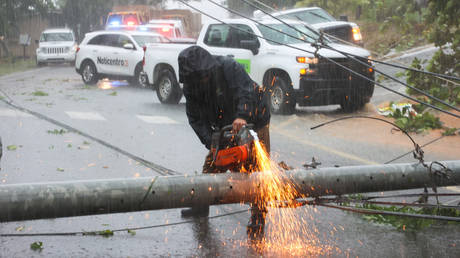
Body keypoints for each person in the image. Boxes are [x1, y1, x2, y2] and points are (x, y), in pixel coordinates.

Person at [178, 46, 270, 232]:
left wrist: (243, 115)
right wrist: (211, 142)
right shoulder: (191, 87)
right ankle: (201, 206)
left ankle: (258, 215)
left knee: (257, 168)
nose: (202, 81)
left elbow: (246, 91)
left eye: (204, 77)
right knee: (212, 165)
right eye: (197, 79)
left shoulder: (229, 67)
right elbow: (195, 118)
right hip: (224, 122)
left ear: (209, 69)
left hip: (253, 117)